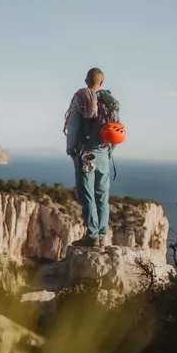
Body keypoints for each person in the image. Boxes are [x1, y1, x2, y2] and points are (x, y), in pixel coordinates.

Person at [64, 67, 121, 248]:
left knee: (87, 194)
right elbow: (117, 129)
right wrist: (109, 149)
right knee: (102, 195)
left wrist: (71, 149)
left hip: (85, 153)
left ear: (86, 81)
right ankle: (102, 235)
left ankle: (92, 235)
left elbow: (73, 126)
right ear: (102, 83)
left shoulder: (80, 98)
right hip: (104, 153)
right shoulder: (110, 101)